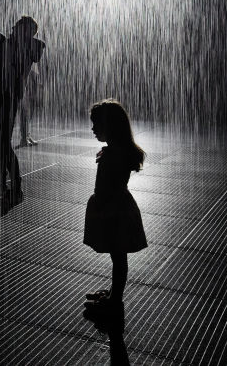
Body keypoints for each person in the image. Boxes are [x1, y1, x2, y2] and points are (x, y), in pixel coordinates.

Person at [82, 99, 147, 316]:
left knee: (118, 257)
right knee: (118, 257)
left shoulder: (112, 155)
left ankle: (114, 301)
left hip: (113, 211)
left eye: (96, 124)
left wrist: (98, 207)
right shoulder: (119, 151)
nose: (92, 128)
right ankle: (114, 295)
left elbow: (104, 187)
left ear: (109, 127)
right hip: (120, 207)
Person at [0, 15, 45, 211]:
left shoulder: (31, 47)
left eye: (24, 29)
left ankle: (16, 187)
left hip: (7, 99)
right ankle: (0, 183)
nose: (18, 30)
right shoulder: (7, 43)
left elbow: (24, 58)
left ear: (30, 32)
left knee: (2, 143)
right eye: (19, 27)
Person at [17, 64, 41, 148]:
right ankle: (23, 139)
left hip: (33, 77)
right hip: (27, 80)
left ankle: (27, 135)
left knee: (30, 113)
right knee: (25, 113)